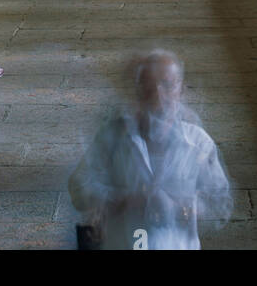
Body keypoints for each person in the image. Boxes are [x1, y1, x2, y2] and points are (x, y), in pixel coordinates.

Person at [69, 50, 231, 250]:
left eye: (168, 85)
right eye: (148, 87)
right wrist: (125, 200)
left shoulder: (198, 143)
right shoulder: (112, 136)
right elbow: (79, 187)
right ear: (137, 92)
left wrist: (181, 208)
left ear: (181, 90)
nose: (158, 96)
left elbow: (220, 203)